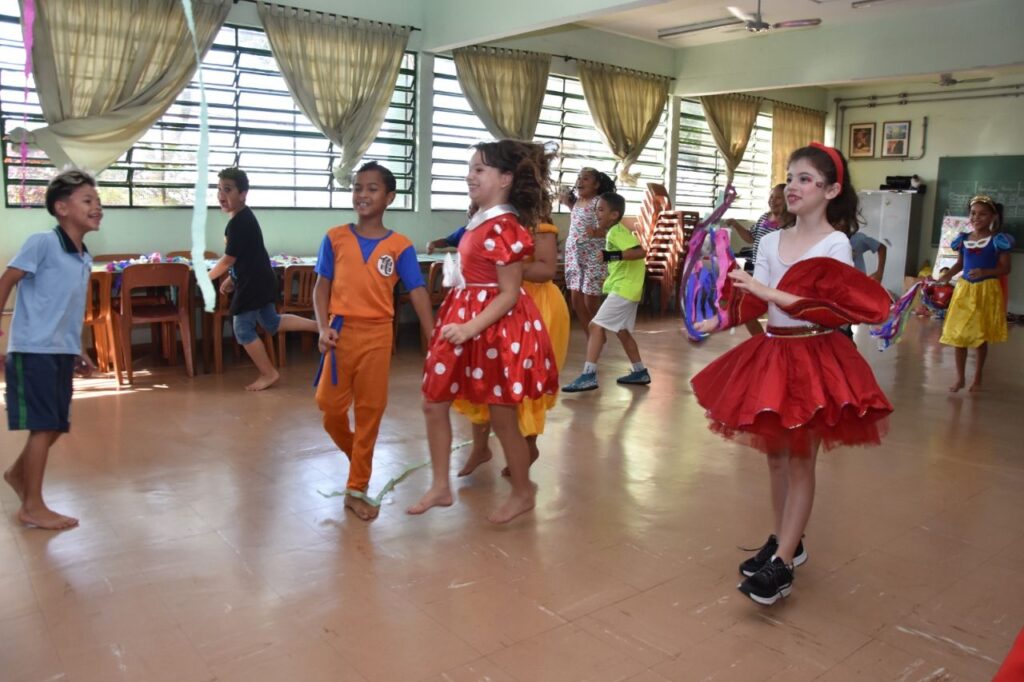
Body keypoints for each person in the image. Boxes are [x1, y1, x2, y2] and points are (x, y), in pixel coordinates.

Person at [690, 144, 894, 606]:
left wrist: (763, 288)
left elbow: (827, 310)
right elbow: (755, 302)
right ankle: (786, 539)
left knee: (801, 459)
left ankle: (782, 565)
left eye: (806, 178)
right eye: (790, 176)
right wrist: (717, 319)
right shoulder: (768, 240)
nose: (793, 186)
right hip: (774, 354)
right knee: (775, 457)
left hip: (814, 357)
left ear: (832, 190)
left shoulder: (835, 244)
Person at [409, 140, 559, 524]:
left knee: (503, 417)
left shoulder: (505, 227)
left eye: (480, 169)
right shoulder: (479, 219)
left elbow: (510, 294)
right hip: (465, 318)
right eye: (470, 168)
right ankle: (441, 486)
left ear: (505, 178)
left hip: (492, 328)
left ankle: (523, 492)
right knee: (433, 400)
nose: (470, 175)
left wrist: (470, 327)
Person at [313, 161, 433, 521]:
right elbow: (321, 287)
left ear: (389, 197)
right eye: (357, 188)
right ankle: (359, 459)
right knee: (329, 407)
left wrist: (434, 337)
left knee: (370, 412)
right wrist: (322, 327)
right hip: (339, 333)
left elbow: (418, 291)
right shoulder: (334, 237)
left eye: (372, 188)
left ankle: (356, 487)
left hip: (379, 335)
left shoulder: (400, 246)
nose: (362, 195)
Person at [0, 169, 101, 530]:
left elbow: (68, 310)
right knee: (44, 426)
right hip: (33, 349)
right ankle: (32, 505)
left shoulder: (83, 255)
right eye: (87, 200)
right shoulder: (42, 242)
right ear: (61, 208)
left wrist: (79, 349)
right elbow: (8, 278)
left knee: (56, 423)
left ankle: (17, 473)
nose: (97, 207)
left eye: (98, 201)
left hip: (60, 350)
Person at [454, 207, 571, 478]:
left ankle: (528, 447)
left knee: (526, 380)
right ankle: (481, 448)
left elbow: (546, 268)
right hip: (495, 304)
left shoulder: (537, 221)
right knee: (484, 374)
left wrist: (505, 268)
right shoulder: (488, 217)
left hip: (537, 307)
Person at [207, 167, 317, 391]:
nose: (221, 195)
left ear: (243, 193)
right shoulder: (241, 218)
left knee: (243, 329)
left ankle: (268, 373)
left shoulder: (239, 222)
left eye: (227, 189)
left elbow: (228, 259)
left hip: (255, 284)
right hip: (260, 279)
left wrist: (205, 276)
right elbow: (244, 257)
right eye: (219, 189)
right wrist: (232, 279)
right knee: (271, 322)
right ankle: (321, 327)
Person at [562, 191, 650, 392]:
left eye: (601, 210)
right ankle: (640, 371)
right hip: (628, 288)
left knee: (595, 326)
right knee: (622, 331)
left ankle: (588, 375)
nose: (597, 214)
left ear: (614, 214)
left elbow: (640, 252)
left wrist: (610, 255)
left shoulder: (615, 231)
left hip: (624, 288)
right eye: (595, 210)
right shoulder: (616, 231)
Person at [934, 195, 1013, 393]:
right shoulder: (963, 239)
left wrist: (986, 272)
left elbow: (1005, 268)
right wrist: (945, 276)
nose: (976, 218)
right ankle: (960, 377)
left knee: (979, 336)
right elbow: (960, 264)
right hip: (965, 290)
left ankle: (977, 377)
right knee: (959, 334)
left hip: (986, 291)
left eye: (982, 214)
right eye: (973, 214)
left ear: (993, 216)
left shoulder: (998, 241)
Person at [727, 183, 791, 334]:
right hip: (757, 270)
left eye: (778, 198)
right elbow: (750, 237)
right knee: (745, 305)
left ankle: (769, 339)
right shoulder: (764, 217)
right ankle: (760, 339)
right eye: (771, 197)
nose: (773, 201)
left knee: (770, 310)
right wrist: (736, 224)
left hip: (776, 273)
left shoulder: (791, 223)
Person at [561, 168, 616, 337]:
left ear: (596, 185)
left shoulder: (599, 202)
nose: (580, 181)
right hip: (574, 257)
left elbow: (613, 227)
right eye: (578, 178)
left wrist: (601, 232)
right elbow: (579, 217)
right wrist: (567, 202)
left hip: (593, 257)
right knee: (576, 302)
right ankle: (592, 337)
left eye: (585, 179)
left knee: (589, 302)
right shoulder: (578, 202)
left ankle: (599, 334)